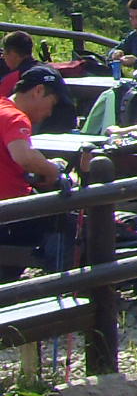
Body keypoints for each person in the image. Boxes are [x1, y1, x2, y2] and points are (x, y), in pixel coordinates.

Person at [0, 66, 70, 277]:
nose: (49, 113)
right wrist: (53, 171)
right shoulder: (15, 117)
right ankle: (63, 287)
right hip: (10, 211)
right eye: (52, 104)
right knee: (68, 219)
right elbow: (24, 156)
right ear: (39, 91)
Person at [0, 33, 32, 97]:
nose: (2, 56)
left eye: (4, 52)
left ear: (13, 53)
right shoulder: (51, 69)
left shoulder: (15, 76)